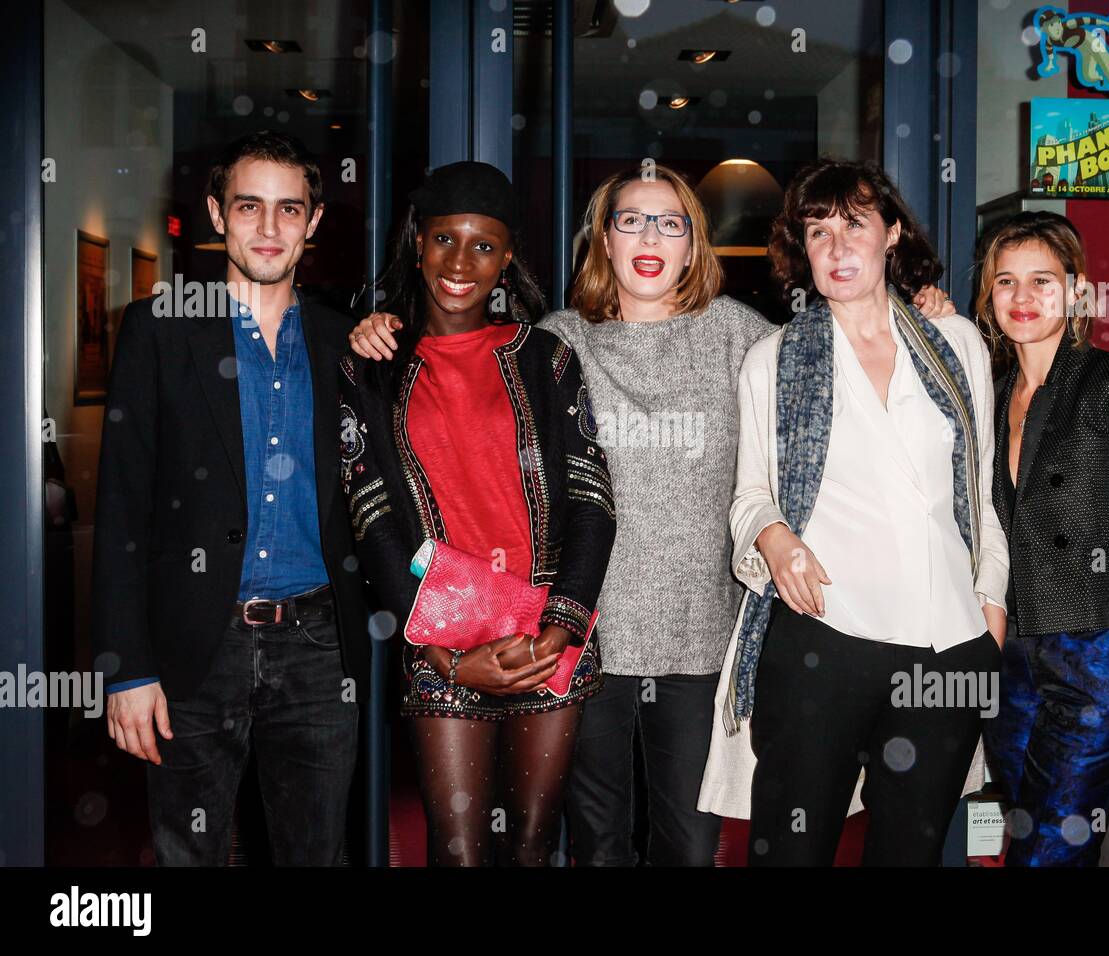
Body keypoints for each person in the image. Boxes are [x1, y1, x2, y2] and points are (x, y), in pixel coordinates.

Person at [350, 162, 954, 866]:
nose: (649, 235)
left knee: (691, 849)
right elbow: (457, 362)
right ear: (603, 240)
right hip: (581, 639)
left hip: (701, 644)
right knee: (596, 845)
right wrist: (379, 328)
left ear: (692, 244)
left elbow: (839, 364)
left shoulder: (742, 338)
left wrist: (917, 311)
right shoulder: (555, 340)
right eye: (630, 218)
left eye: (670, 222)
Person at [698, 158, 1009, 866]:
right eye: (817, 231)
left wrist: (988, 607)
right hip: (823, 637)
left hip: (945, 647)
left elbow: (983, 488)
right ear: (800, 250)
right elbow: (750, 495)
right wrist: (774, 538)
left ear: (892, 233)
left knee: (910, 851)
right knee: (791, 850)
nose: (837, 248)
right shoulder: (772, 359)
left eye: (855, 225)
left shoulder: (955, 343)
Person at [93, 130, 370, 865]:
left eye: (290, 209)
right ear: (218, 214)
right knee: (188, 856)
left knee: (317, 854)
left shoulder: (347, 344)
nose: (270, 228)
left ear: (313, 222)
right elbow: (121, 511)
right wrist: (127, 668)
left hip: (318, 647)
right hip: (192, 645)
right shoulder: (157, 330)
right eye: (250, 206)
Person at [338, 161, 615, 866]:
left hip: (544, 634)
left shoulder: (546, 358)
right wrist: (439, 651)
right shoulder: (370, 365)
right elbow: (372, 518)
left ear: (507, 257)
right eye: (444, 240)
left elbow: (591, 496)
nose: (461, 263)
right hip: (442, 635)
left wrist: (564, 621)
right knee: (457, 850)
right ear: (418, 242)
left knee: (530, 844)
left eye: (483, 245)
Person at [975, 211, 1109, 866]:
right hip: (1013, 659)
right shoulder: (992, 394)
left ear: (1075, 291)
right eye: (1006, 282)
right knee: (1028, 839)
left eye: (1041, 280)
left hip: (1098, 652)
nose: (1022, 298)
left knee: (1051, 853)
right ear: (989, 298)